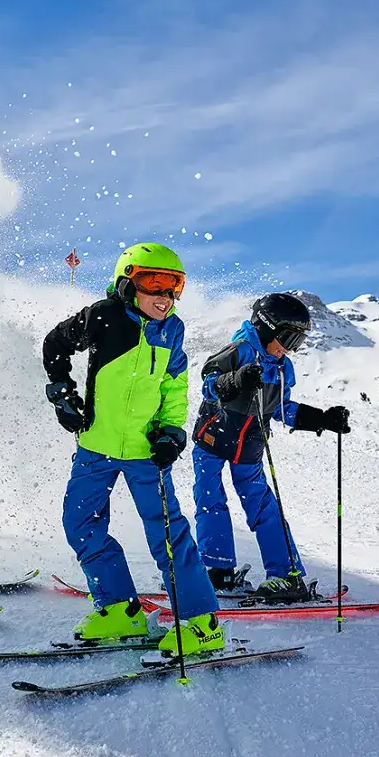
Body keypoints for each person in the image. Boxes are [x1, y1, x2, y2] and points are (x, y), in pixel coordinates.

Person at [43, 242, 223, 658]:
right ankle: (120, 609)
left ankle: (201, 621)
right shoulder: (103, 317)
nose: (165, 296)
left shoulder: (172, 330)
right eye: (153, 282)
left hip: (146, 451)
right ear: (127, 282)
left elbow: (175, 386)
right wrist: (62, 393)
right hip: (95, 447)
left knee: (166, 532)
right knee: (80, 523)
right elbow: (55, 345)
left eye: (174, 286)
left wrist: (171, 431)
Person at [190, 292, 351, 603]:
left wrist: (321, 419)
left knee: (263, 506)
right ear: (266, 328)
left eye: (298, 342)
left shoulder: (281, 368)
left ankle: (286, 575)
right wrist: (235, 380)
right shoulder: (239, 351)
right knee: (210, 501)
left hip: (249, 445)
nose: (289, 348)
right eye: (288, 338)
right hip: (213, 437)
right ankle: (217, 570)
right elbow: (208, 383)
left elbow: (281, 408)